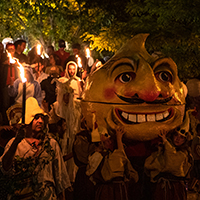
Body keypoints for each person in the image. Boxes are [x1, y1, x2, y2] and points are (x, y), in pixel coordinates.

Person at [0, 97, 72, 199]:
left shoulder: (51, 144)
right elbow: (5, 168)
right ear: (27, 122)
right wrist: (16, 141)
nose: (40, 121)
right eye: (36, 118)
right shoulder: (15, 144)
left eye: (42, 118)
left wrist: (62, 197)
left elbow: (60, 176)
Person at [144, 110, 193, 200]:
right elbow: (149, 165)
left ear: (185, 140)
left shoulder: (184, 153)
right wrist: (160, 151)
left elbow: (173, 163)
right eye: (176, 135)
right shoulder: (163, 148)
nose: (178, 139)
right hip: (162, 187)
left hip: (176, 187)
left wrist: (165, 142)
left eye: (181, 137)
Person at [86, 125, 139, 200]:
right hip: (110, 191)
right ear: (99, 143)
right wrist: (119, 139)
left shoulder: (105, 155)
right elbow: (120, 157)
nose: (110, 142)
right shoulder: (98, 157)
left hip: (109, 189)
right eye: (107, 141)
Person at [189, 123, 200, 191]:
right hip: (198, 159)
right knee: (197, 175)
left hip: (197, 159)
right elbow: (197, 149)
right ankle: (191, 187)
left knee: (197, 175)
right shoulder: (197, 138)